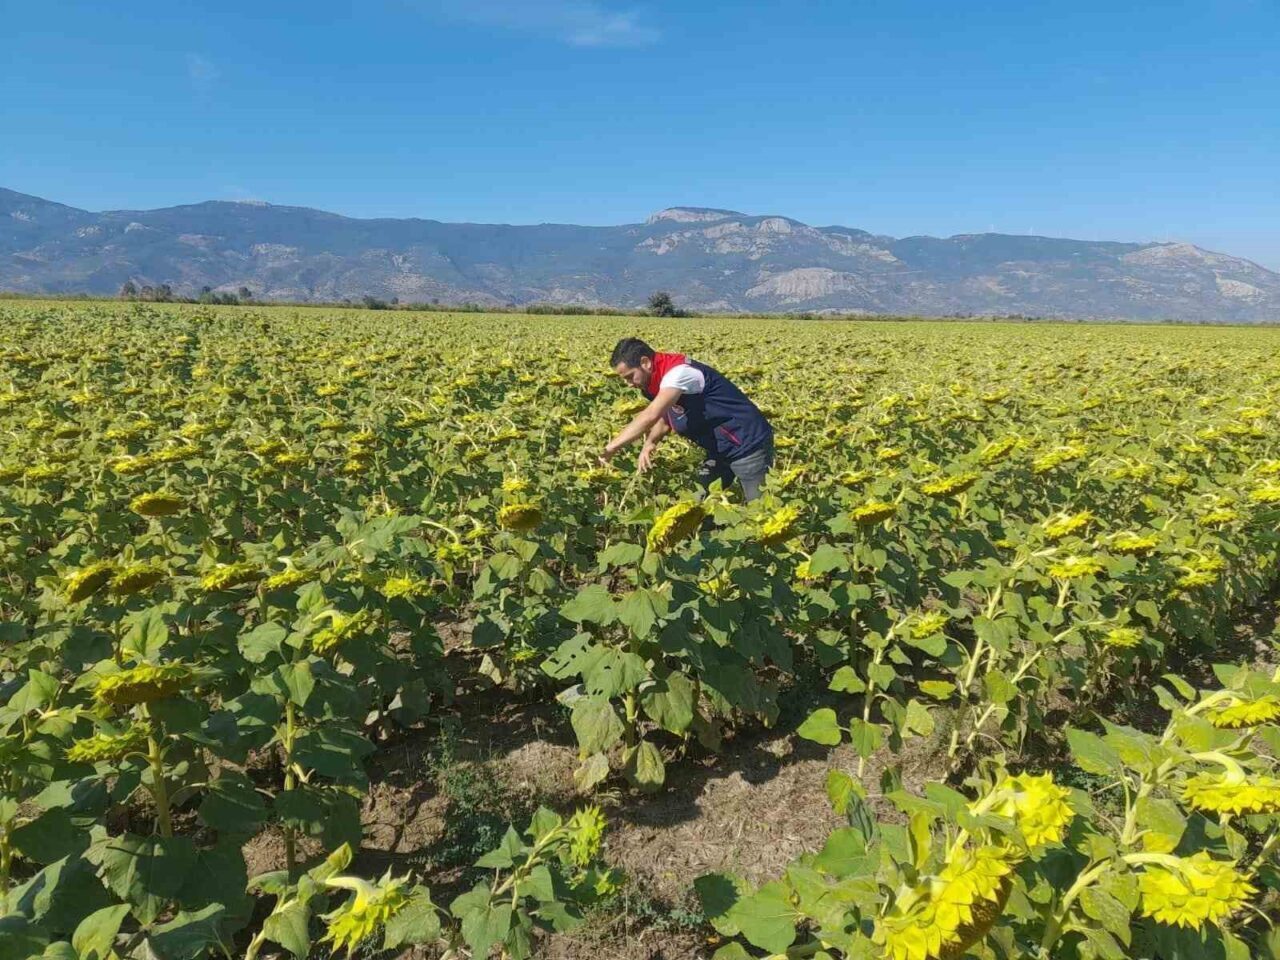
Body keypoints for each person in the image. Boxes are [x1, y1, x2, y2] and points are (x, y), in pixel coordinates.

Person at [600, 338, 775, 501]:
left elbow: (652, 414)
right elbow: (666, 413)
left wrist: (611, 447)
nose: (629, 384)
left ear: (645, 363)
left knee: (759, 509)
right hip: (719, 448)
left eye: (630, 376)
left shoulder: (679, 373)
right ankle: (709, 531)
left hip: (746, 443)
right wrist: (650, 442)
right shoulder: (653, 380)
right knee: (700, 502)